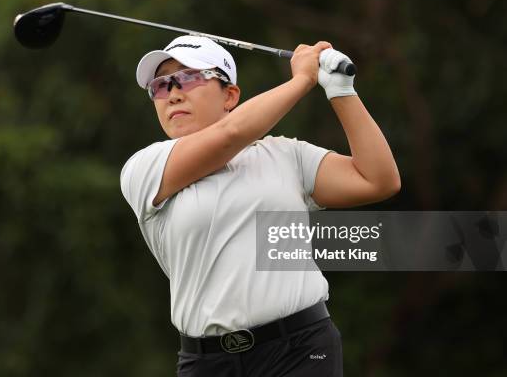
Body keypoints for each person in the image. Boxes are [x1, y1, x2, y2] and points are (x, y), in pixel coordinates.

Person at [120, 35, 400, 377]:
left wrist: (341, 90)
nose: (174, 92)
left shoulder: (285, 155)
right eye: (161, 86)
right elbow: (231, 134)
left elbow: (378, 180)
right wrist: (301, 80)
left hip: (300, 350)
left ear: (230, 96)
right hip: (207, 364)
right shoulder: (145, 168)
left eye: (190, 77)